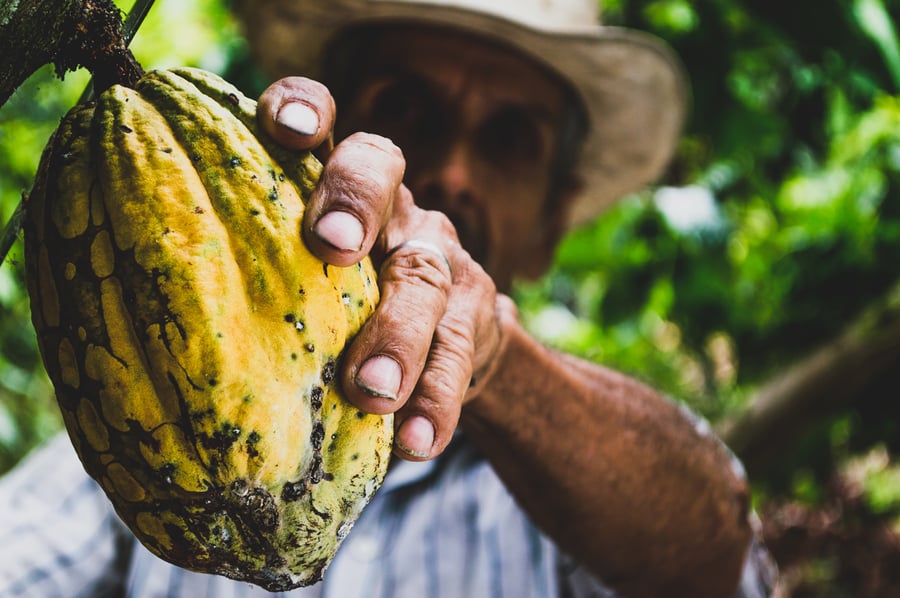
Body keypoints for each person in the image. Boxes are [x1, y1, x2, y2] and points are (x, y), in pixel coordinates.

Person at [0, 0, 777, 596]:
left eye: (511, 137)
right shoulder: (135, 422)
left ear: (554, 219)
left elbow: (714, 551)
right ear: (316, 133)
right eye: (406, 108)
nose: (455, 170)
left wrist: (494, 361)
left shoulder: (583, 500)